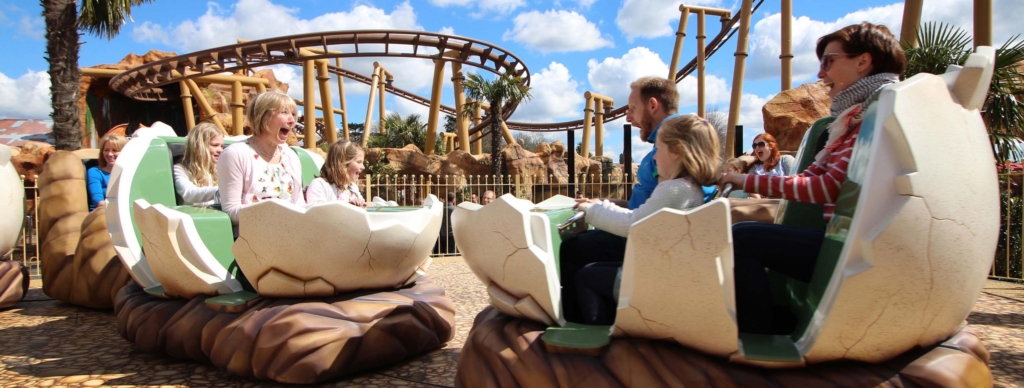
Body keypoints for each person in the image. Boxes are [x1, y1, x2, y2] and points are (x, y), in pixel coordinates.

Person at [718, 22, 906, 334]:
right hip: (846, 238)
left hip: (855, 245)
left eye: (829, 61)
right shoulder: (853, 120)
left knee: (743, 238)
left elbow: (825, 187)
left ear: (863, 61)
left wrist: (743, 182)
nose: (821, 74)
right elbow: (809, 176)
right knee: (746, 229)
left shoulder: (871, 120)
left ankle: (759, 332)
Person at [565, 115, 721, 324]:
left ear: (678, 151)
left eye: (658, 148)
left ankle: (592, 335)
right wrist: (600, 205)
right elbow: (638, 216)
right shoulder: (688, 187)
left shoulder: (673, 190)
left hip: (658, 279)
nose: (654, 157)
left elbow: (632, 225)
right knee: (593, 267)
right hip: (665, 268)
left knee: (586, 276)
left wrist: (591, 212)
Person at [218, 90, 307, 227]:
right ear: (262, 116)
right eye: (284, 112)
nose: (292, 121)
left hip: (291, 233)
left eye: (293, 114)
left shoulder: (290, 156)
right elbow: (231, 210)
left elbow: (299, 203)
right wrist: (273, 213)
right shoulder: (236, 154)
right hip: (253, 238)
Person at [173, 122, 224, 206]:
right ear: (199, 146)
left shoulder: (221, 169)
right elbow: (189, 194)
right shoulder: (180, 169)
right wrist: (222, 190)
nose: (220, 150)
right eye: (215, 145)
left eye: (222, 146)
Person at [306, 140, 367, 207]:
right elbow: (316, 212)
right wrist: (348, 207)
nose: (363, 167)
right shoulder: (320, 185)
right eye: (359, 162)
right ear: (342, 164)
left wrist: (366, 205)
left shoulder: (352, 187)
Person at [87, 133, 128, 211]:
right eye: (106, 150)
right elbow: (97, 201)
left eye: (114, 150)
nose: (109, 154)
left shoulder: (129, 172)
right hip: (101, 213)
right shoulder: (94, 172)